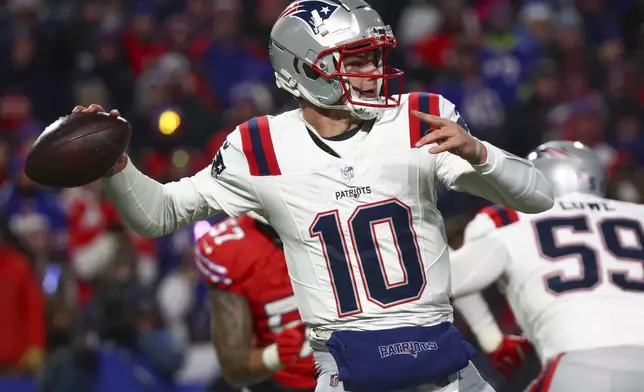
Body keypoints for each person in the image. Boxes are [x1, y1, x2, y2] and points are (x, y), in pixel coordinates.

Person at [73, 1, 554, 390]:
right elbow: (158, 214)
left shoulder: (417, 116)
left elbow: (538, 197)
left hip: (445, 365)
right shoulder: (259, 146)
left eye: (376, 57)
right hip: (348, 374)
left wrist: (481, 154)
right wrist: (118, 167)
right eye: (357, 60)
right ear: (305, 69)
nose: (373, 72)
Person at [450, 141, 644, 391]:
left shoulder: (508, 219)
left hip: (578, 363)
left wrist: (492, 341)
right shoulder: (637, 214)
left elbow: (452, 279)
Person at [194, 214, 314, 392]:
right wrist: (275, 355)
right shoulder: (230, 246)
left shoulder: (344, 213)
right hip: (282, 384)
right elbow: (234, 365)